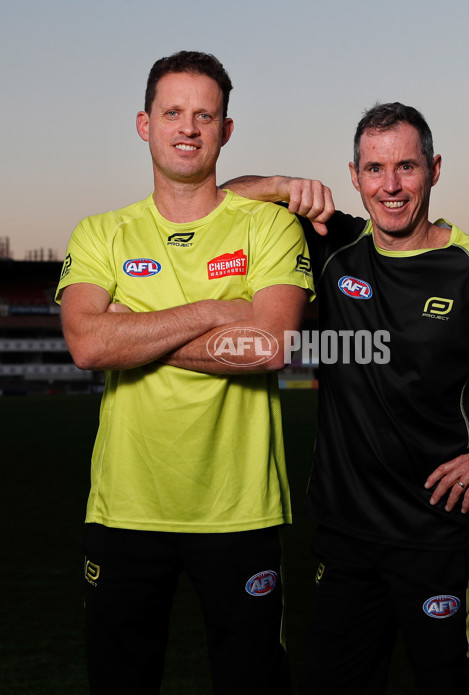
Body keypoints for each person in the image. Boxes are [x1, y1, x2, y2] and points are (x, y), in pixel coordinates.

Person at [224, 102, 469, 694]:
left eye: (406, 167)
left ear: (435, 169)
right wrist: (282, 185)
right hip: (346, 538)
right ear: (353, 176)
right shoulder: (335, 245)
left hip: (443, 537)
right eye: (373, 169)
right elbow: (222, 202)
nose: (390, 186)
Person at [55, 51, 314, 695]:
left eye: (205, 115)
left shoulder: (272, 225)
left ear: (226, 130)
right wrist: (211, 311)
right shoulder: (100, 233)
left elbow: (269, 346)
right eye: (173, 112)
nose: (188, 128)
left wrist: (133, 333)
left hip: (240, 508)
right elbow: (86, 345)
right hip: (125, 509)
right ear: (144, 124)